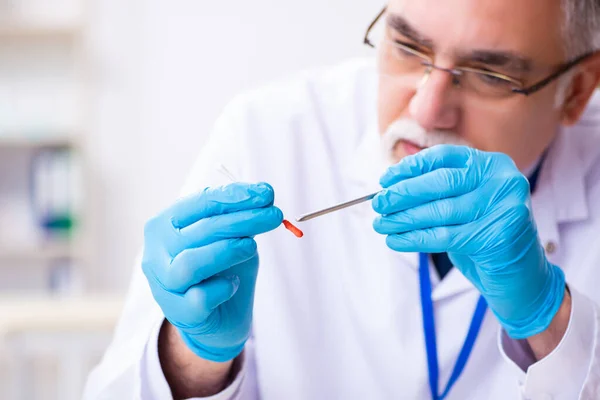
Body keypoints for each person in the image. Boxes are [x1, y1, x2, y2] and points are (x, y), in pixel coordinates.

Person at [84, 0, 600, 398]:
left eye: (491, 75)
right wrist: (193, 357)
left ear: (577, 90)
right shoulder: (268, 134)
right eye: (407, 46)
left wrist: (549, 319)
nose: (427, 108)